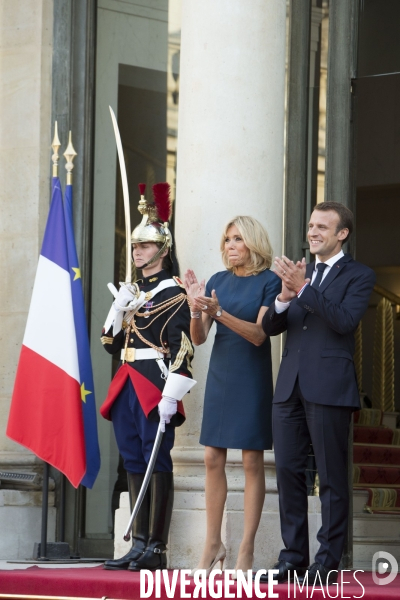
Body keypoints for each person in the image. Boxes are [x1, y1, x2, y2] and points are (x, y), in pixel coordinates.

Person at [261, 202, 376, 585]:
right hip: (289, 386)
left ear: (342, 233)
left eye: (322, 227)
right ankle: (293, 558)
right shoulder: (299, 273)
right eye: (311, 225)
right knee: (289, 475)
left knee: (330, 477)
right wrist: (283, 296)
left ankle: (326, 562)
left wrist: (304, 289)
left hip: (329, 388)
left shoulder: (359, 275)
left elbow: (344, 321)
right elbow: (274, 327)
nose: (313, 232)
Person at [100, 182, 195, 572]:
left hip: (154, 384)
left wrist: (172, 395)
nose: (137, 252)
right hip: (126, 380)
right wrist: (119, 311)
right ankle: (137, 543)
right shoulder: (131, 290)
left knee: (157, 461)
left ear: (163, 249)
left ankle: (156, 548)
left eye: (145, 246)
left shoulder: (174, 294)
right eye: (135, 247)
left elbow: (184, 349)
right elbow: (109, 343)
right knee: (133, 460)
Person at [184, 215, 281, 577]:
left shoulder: (270, 282)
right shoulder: (219, 281)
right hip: (222, 374)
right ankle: (213, 544)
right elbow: (199, 337)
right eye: (227, 239)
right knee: (211, 457)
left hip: (251, 376)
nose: (230, 246)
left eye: (238, 239)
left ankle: (246, 550)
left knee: (252, 461)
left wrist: (217, 311)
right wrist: (197, 309)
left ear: (253, 243)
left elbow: (258, 335)